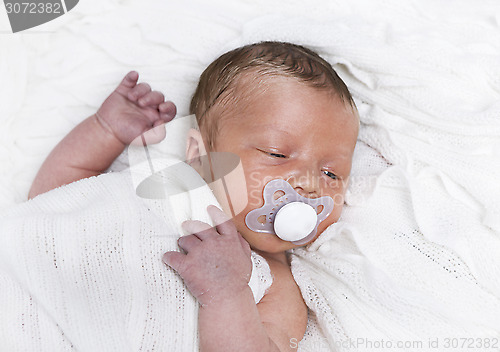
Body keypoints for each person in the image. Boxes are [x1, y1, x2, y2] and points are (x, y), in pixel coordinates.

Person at [28, 41, 359, 351]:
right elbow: (50, 207)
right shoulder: (155, 190)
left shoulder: (276, 282)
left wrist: (228, 294)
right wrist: (105, 131)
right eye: (277, 154)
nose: (309, 184)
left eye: (332, 173)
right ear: (201, 156)